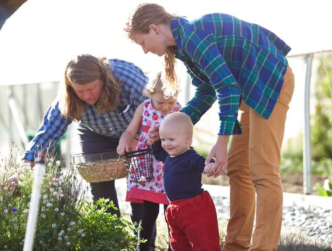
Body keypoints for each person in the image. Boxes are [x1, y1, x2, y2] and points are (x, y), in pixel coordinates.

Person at [125, 3, 295, 251]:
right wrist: (168, 126)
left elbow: (226, 87)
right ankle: (235, 245)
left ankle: (263, 247)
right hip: (249, 90)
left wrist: (222, 142)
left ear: (154, 29)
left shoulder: (194, 35)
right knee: (238, 169)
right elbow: (206, 91)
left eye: (142, 42)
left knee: (262, 170)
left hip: (269, 82)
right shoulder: (183, 45)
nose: (144, 50)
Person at [22, 54, 148, 217]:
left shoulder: (129, 80)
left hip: (134, 131)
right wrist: (27, 164)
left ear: (103, 79)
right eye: (80, 91)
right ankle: (110, 237)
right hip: (96, 133)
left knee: (140, 183)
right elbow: (49, 130)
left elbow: (155, 109)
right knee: (99, 183)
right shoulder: (67, 97)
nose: (87, 96)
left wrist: (138, 136)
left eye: (91, 89)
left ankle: (143, 241)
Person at [117, 71, 180, 251]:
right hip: (147, 169)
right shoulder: (144, 108)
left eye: (171, 102)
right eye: (160, 102)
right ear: (150, 94)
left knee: (172, 213)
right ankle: (143, 247)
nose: (166, 107)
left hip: (170, 169)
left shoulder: (179, 110)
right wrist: (124, 140)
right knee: (147, 212)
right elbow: (130, 132)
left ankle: (173, 247)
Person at [149, 112, 221, 251]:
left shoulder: (189, 156)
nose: (166, 144)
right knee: (178, 244)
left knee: (203, 242)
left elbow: (202, 162)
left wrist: (210, 165)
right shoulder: (170, 154)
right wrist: (156, 141)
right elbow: (158, 153)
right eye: (163, 139)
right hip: (174, 208)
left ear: (188, 140)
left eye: (171, 139)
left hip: (193, 207)